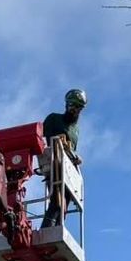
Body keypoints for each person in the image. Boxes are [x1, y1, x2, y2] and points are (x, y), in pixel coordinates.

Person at [41, 88, 86, 227]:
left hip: (68, 169)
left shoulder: (75, 130)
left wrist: (76, 158)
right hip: (55, 164)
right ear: (67, 105)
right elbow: (41, 139)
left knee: (63, 208)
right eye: (72, 105)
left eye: (78, 107)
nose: (74, 110)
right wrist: (56, 142)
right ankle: (46, 231)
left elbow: (72, 149)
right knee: (56, 202)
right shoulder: (54, 119)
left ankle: (56, 230)